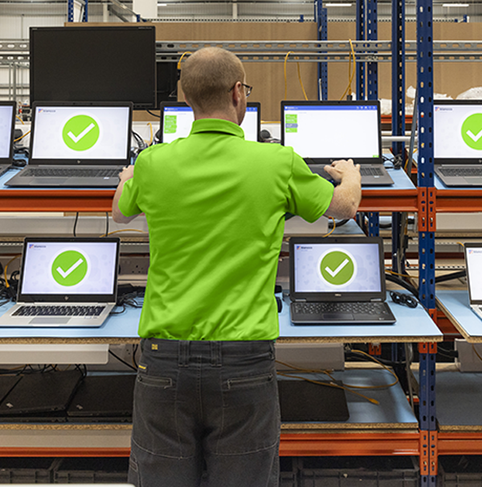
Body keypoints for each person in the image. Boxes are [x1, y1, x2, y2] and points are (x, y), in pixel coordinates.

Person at [112, 47, 361, 487]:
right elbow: (341, 208)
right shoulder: (276, 162)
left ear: (187, 99)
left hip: (163, 359)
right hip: (244, 361)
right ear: (238, 94)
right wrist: (351, 174)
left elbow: (119, 214)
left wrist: (128, 179)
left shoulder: (153, 163)